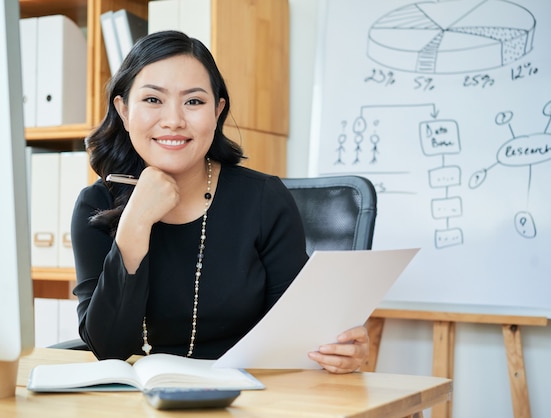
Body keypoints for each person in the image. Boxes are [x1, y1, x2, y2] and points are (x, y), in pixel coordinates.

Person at [71, 30, 369, 374]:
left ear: (217, 111)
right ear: (123, 110)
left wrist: (339, 351)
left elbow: (299, 336)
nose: (173, 120)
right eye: (153, 100)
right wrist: (135, 223)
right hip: (136, 401)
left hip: (249, 394)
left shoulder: (263, 199)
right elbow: (108, 349)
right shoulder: (94, 206)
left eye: (193, 101)